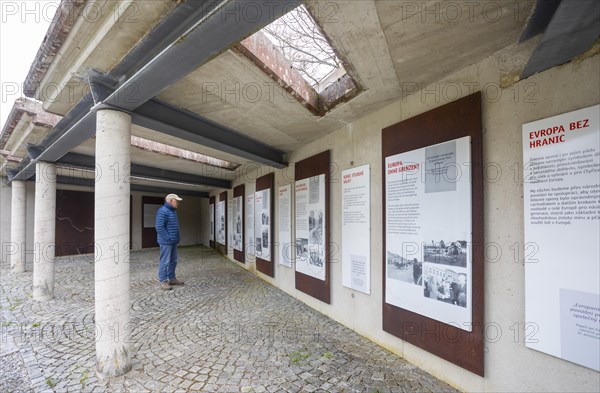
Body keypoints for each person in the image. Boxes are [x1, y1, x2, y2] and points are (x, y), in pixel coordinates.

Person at [156, 194, 184, 290]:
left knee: (174, 261)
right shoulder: (162, 211)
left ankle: (172, 279)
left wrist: (175, 238)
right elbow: (159, 227)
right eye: (177, 201)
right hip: (166, 242)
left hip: (173, 242)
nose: (178, 203)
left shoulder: (172, 211)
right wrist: (168, 238)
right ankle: (163, 281)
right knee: (165, 261)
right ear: (171, 201)